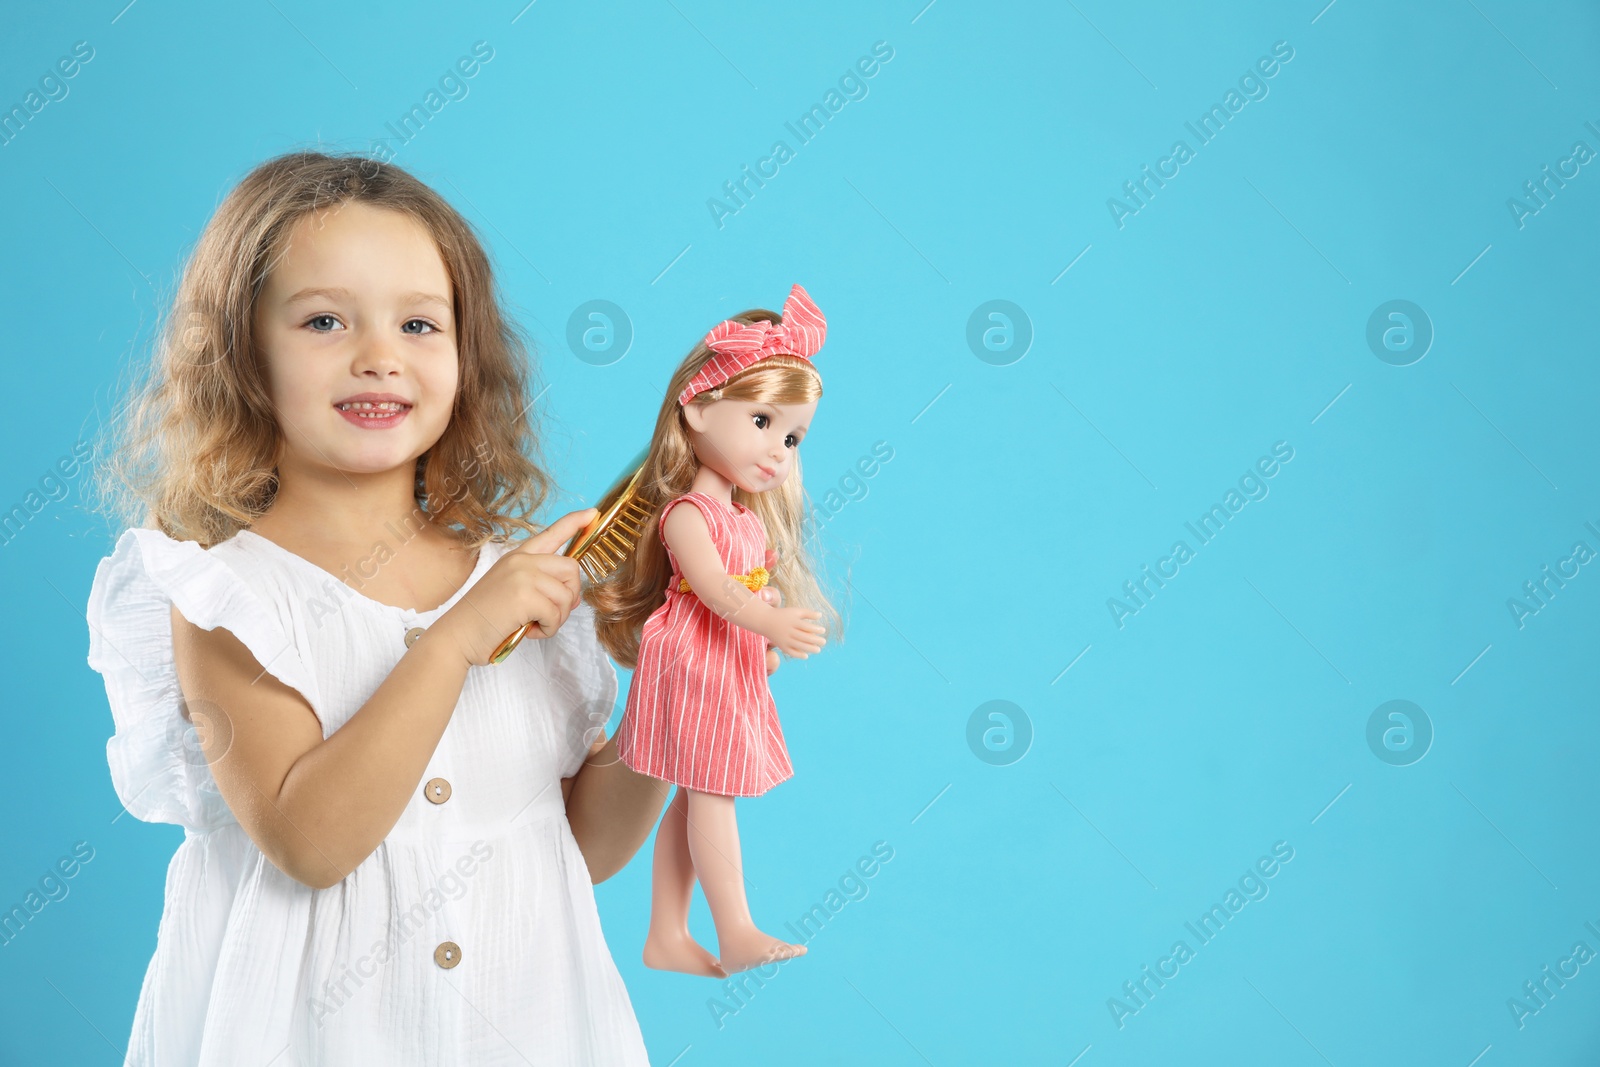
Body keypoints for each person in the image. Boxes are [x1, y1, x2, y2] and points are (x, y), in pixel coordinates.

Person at [83, 149, 749, 1065]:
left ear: (466, 356)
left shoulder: (516, 579)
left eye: (419, 324)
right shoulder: (227, 595)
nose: (378, 357)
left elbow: (578, 845)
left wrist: (678, 690)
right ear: (240, 350)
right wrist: (453, 643)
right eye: (324, 319)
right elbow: (312, 840)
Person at [590, 284, 839, 977]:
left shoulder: (746, 519)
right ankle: (735, 929)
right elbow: (720, 591)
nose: (779, 450)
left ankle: (667, 931)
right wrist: (769, 622)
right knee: (712, 792)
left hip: (724, 661)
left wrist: (761, 644)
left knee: (696, 790)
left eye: (793, 436)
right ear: (697, 408)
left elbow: (747, 589)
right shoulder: (686, 517)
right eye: (762, 422)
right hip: (691, 660)